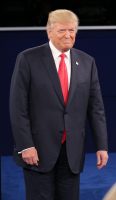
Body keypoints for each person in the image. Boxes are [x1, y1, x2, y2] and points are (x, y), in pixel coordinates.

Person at [9, 9, 108, 200]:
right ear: (49, 31)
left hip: (72, 151)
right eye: (62, 30)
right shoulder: (28, 59)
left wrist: (102, 145)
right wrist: (25, 145)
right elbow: (17, 107)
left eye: (72, 30)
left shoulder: (87, 62)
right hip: (37, 150)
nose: (68, 35)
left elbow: (96, 108)